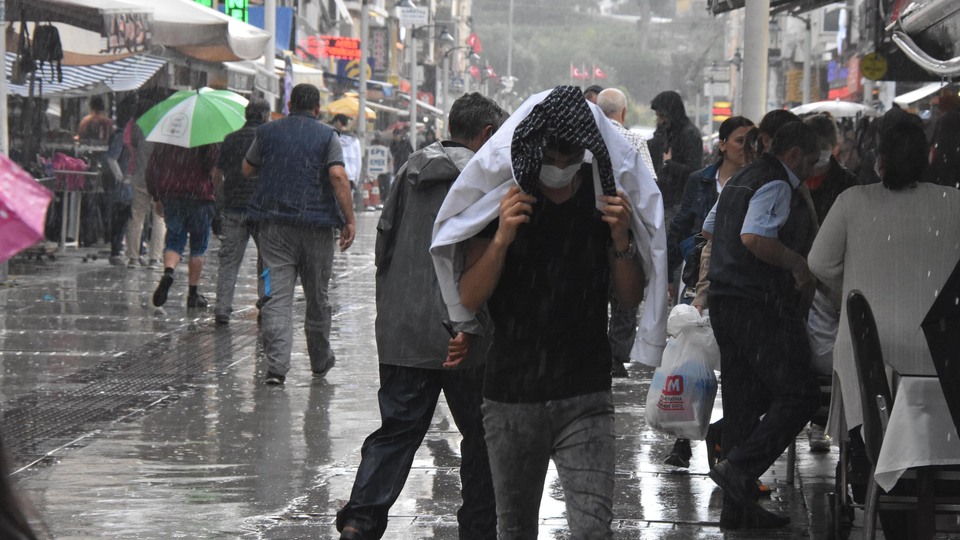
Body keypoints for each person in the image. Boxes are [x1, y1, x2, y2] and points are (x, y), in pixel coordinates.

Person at [431, 86, 667, 538]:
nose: (560, 164)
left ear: (588, 150)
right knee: (515, 529)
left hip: (586, 394)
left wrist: (621, 240)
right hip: (511, 399)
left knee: (593, 529)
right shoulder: (504, 199)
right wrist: (501, 237)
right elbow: (470, 297)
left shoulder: (603, 201)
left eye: (570, 153)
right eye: (552, 153)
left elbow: (631, 295)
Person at [336, 92, 503, 540]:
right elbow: (486, 260)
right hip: (463, 332)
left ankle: (360, 521)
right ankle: (478, 527)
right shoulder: (485, 178)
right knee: (483, 436)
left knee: (396, 433)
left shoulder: (411, 170)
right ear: (486, 134)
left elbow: (384, 246)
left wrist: (394, 312)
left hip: (405, 330)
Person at [808, 120, 960, 538]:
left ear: (879, 158)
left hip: (869, 353)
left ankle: (875, 488)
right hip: (939, 355)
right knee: (938, 453)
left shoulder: (852, 202)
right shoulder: (954, 204)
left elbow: (818, 263)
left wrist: (853, 290)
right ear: (928, 156)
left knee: (872, 440)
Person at [704, 121, 822, 530]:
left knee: (742, 405)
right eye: (812, 158)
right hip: (756, 303)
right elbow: (755, 237)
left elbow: (710, 225)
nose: (815, 165)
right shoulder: (775, 181)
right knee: (799, 394)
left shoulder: (742, 177)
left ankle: (735, 513)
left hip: (726, 299)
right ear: (794, 155)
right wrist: (794, 261)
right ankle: (739, 469)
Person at [242, 83, 356, 385]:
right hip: (317, 228)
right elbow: (337, 176)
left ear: (290, 103)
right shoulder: (327, 136)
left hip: (274, 227)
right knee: (317, 296)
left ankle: (277, 368)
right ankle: (319, 360)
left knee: (276, 296)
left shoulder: (267, 132)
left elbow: (246, 169)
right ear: (317, 109)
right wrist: (349, 219)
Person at [662, 115, 755, 468]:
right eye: (738, 141)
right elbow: (684, 221)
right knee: (691, 359)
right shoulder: (701, 181)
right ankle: (682, 439)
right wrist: (682, 258)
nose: (745, 148)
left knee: (732, 365)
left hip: (736, 282)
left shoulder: (757, 181)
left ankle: (728, 438)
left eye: (750, 140)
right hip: (699, 277)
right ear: (722, 145)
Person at [799, 112, 858, 453]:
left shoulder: (847, 184)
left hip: (841, 279)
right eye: (815, 147)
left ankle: (832, 420)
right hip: (804, 280)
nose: (820, 154)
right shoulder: (794, 180)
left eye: (825, 147)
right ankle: (817, 418)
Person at [596, 88, 658, 378]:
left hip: (592, 230)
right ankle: (616, 356)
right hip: (624, 228)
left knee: (596, 294)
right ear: (623, 112)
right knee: (623, 300)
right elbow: (649, 186)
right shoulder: (634, 139)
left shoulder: (587, 137)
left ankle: (595, 352)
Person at [212, 98, 270, 325]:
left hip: (233, 207)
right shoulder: (268, 138)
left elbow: (217, 174)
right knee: (266, 260)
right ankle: (265, 304)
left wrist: (220, 199)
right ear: (265, 116)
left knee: (228, 260)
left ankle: (222, 308)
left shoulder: (230, 139)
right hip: (262, 210)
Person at [147, 142, 220, 309]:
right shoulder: (208, 139)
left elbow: (152, 169)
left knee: (174, 240)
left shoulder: (168, 138)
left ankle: (169, 272)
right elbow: (214, 168)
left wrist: (156, 196)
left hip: (173, 194)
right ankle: (192, 294)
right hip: (201, 196)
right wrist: (215, 191)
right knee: (198, 247)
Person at [648, 90, 703, 239]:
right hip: (663, 199)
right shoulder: (667, 131)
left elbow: (695, 170)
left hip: (677, 202)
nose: (659, 120)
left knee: (669, 247)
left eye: (662, 116)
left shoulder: (688, 134)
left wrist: (669, 163)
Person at [124, 98, 165, 268]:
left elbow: (132, 145)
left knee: (137, 217)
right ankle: (154, 258)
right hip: (160, 179)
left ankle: (133, 257)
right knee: (159, 219)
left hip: (140, 176)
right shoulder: (165, 126)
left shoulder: (140, 124)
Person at [332, 114, 364, 212]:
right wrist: (356, 179)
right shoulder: (355, 141)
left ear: (338, 122)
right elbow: (358, 162)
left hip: (335, 174)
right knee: (346, 204)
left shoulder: (333, 138)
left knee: (335, 202)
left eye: (334, 123)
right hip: (349, 177)